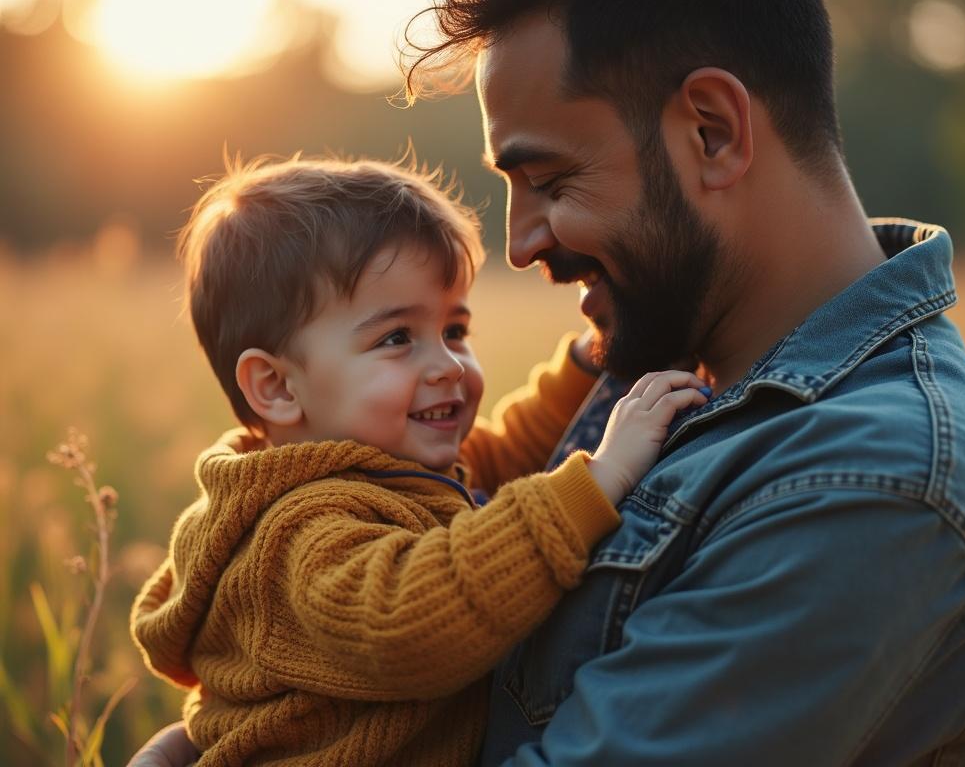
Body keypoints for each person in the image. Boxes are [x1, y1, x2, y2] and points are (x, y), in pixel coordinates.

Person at [131, 0, 965, 764]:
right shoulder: (668, 349)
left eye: (551, 179)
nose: (519, 245)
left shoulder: (874, 482)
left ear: (712, 132)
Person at [128, 156, 709, 766]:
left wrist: (591, 365)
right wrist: (598, 480)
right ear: (276, 387)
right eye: (397, 338)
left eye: (454, 330)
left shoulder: (391, 468)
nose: (448, 365)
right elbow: (412, 623)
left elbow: (508, 452)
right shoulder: (296, 534)